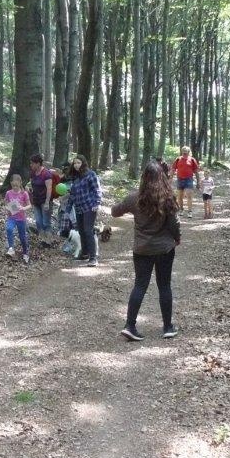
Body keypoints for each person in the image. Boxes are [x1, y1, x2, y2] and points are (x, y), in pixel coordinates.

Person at [111, 160, 181, 341]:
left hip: (142, 249)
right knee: (164, 285)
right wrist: (177, 238)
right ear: (162, 177)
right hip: (165, 249)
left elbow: (114, 212)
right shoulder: (168, 198)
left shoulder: (134, 198)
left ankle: (130, 326)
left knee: (140, 285)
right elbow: (174, 224)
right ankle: (167, 327)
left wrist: (121, 204)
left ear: (144, 178)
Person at [64, 154, 102, 267]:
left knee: (88, 231)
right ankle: (84, 253)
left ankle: (93, 258)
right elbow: (72, 196)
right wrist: (68, 210)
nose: (76, 165)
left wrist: (97, 203)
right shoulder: (75, 178)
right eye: (75, 163)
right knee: (81, 231)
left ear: (83, 163)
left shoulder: (91, 174)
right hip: (79, 208)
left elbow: (97, 190)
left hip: (90, 207)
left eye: (78, 163)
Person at [4, 174, 32, 264]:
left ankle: (25, 253)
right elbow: (6, 203)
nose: (15, 187)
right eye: (13, 185)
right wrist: (8, 208)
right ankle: (11, 248)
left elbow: (29, 205)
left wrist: (23, 208)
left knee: (22, 237)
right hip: (11, 217)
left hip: (21, 218)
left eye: (16, 185)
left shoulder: (24, 193)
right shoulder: (8, 193)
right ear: (11, 184)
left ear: (20, 183)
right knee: (9, 229)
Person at [28, 154, 53, 245]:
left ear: (38, 163)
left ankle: (48, 241)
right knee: (38, 222)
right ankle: (42, 239)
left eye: (32, 163)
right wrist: (29, 188)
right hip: (36, 200)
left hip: (45, 201)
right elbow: (31, 184)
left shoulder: (46, 174)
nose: (31, 165)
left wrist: (47, 202)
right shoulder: (32, 173)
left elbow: (49, 189)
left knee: (46, 222)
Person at [171, 146, 200, 218]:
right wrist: (170, 179)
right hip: (180, 179)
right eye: (183, 151)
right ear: (181, 151)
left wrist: (198, 182)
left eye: (186, 151)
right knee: (180, 196)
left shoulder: (192, 160)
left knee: (189, 195)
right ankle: (181, 210)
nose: (184, 153)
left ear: (188, 152)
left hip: (189, 179)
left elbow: (196, 171)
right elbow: (173, 169)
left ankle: (190, 211)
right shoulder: (178, 159)